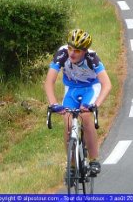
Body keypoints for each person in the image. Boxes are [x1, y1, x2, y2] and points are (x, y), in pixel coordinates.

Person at [44, 28, 112, 174]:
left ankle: (94, 160)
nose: (72, 53)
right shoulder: (62, 54)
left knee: (86, 116)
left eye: (77, 51)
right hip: (72, 89)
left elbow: (107, 85)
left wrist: (95, 105)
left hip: (90, 88)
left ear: (84, 51)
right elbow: (49, 82)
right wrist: (54, 103)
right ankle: (72, 165)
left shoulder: (92, 58)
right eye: (70, 48)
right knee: (68, 122)